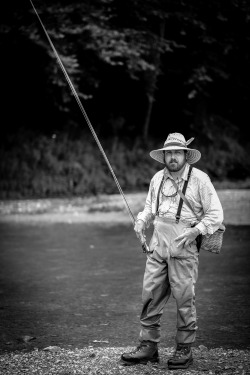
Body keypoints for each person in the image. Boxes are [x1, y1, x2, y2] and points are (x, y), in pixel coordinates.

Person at [121, 132, 223, 370]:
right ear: (164, 156)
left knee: (184, 299)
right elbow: (149, 208)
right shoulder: (157, 178)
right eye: (169, 153)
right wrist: (141, 221)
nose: (173, 157)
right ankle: (148, 347)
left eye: (178, 152)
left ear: (186, 155)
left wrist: (196, 231)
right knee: (150, 296)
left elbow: (216, 214)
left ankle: (184, 349)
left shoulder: (200, 180)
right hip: (157, 246)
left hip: (184, 247)